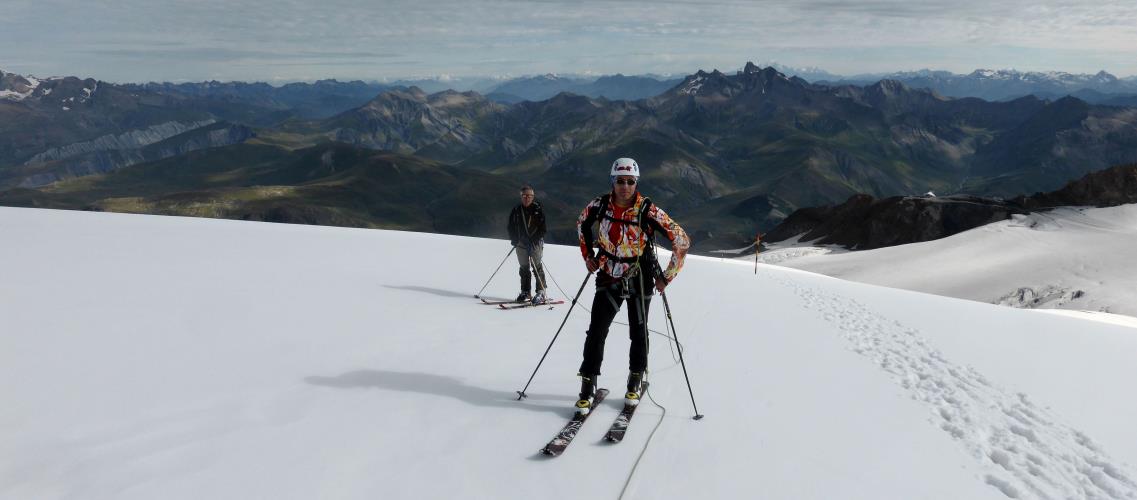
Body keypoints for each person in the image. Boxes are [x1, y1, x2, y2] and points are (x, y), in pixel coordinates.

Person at [574, 157, 690, 414]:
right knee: (596, 330)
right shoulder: (600, 205)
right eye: (620, 181)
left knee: (639, 331)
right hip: (607, 274)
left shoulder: (647, 210)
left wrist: (666, 277)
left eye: (630, 181)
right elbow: (581, 223)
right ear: (612, 181)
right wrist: (588, 257)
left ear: (636, 182)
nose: (624, 186)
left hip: (640, 275)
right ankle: (587, 383)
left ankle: (635, 377)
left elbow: (681, 239)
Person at [507, 184, 548, 304]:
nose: (527, 198)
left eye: (529, 196)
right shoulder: (516, 210)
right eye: (524, 195)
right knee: (524, 267)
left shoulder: (537, 210)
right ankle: (525, 291)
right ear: (521, 196)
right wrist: (514, 239)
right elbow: (511, 226)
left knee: (537, 266)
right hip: (520, 243)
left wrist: (534, 239)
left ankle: (541, 292)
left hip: (535, 243)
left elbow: (543, 229)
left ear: (533, 197)